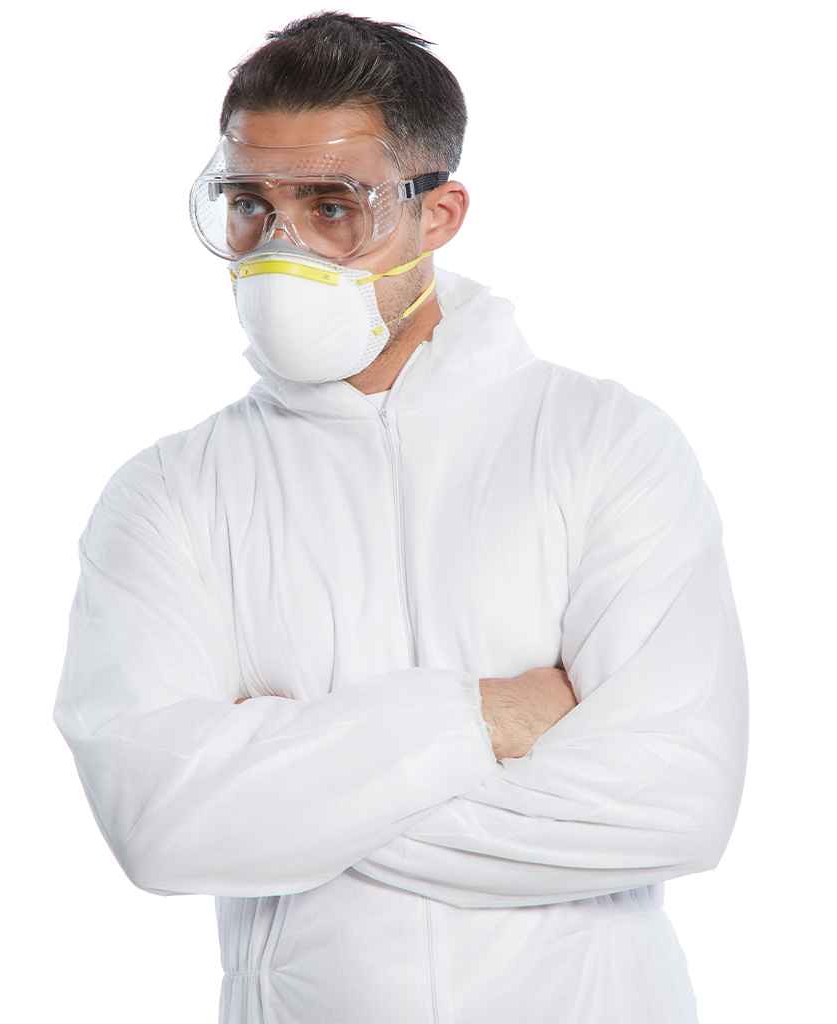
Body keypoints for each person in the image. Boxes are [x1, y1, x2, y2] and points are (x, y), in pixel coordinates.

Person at [52, 12, 749, 1024]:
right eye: (249, 205)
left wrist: (286, 793)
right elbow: (161, 826)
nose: (282, 248)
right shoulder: (169, 493)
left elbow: (674, 804)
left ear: (439, 214)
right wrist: (484, 717)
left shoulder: (604, 443)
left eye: (334, 206)